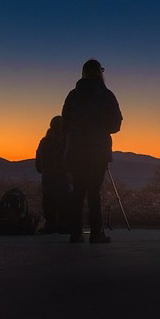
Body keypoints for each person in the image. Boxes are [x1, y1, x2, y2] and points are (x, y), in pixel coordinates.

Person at [61, 59, 123, 244]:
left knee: (78, 192)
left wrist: (68, 144)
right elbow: (116, 124)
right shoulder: (106, 95)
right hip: (97, 149)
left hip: (76, 149)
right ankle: (97, 233)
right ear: (99, 72)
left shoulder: (73, 95)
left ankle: (75, 233)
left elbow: (65, 123)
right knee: (94, 192)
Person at [35, 116, 71, 234]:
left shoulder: (44, 142)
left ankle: (50, 225)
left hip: (47, 177)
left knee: (49, 202)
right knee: (64, 201)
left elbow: (38, 164)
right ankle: (65, 225)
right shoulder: (65, 142)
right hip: (63, 178)